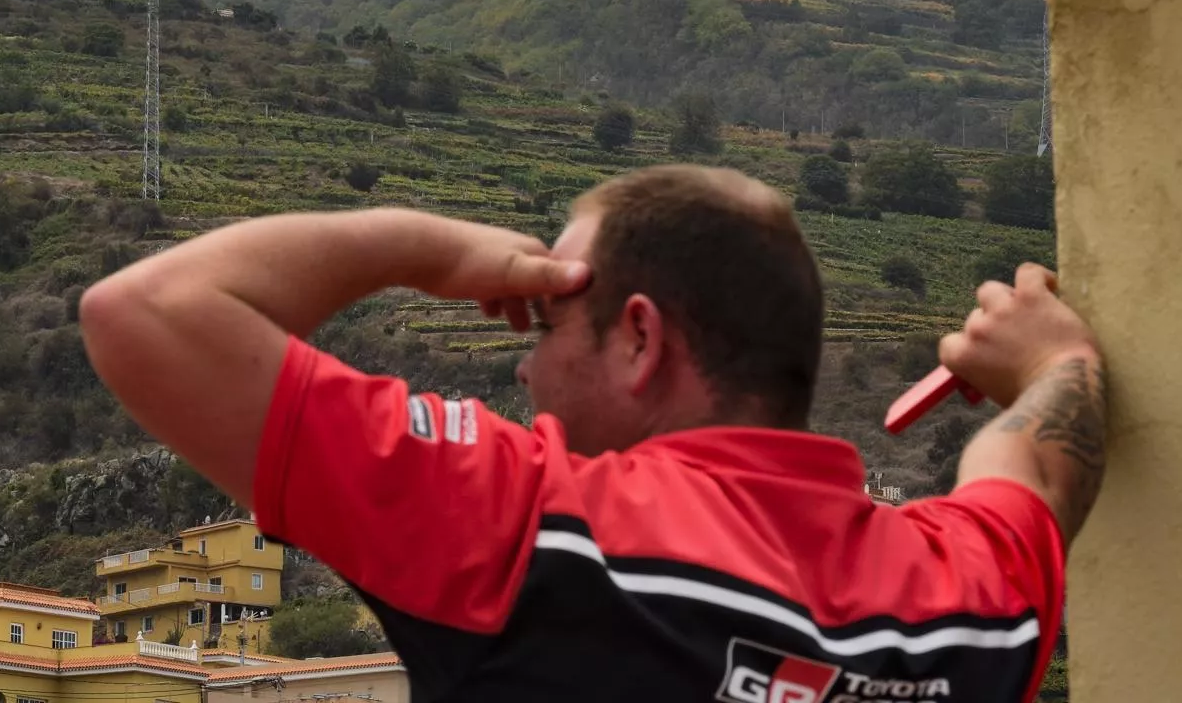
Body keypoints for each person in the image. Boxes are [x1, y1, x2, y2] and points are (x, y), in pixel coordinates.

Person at [79, 165, 1105, 701]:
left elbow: (144, 312)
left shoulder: (538, 526)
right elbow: (1038, 461)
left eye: (544, 315)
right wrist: (1053, 357)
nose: (525, 363)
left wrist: (421, 244)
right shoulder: (965, 602)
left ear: (641, 337)